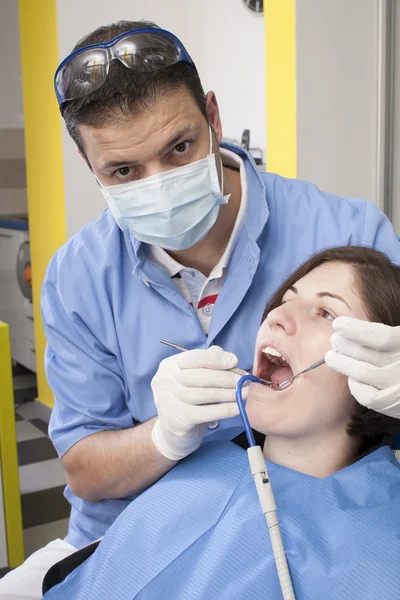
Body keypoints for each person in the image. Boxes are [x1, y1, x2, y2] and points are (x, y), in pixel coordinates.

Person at [1, 19, 400, 598]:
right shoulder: (78, 276)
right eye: (124, 171)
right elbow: (85, 468)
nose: (159, 182)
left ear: (212, 117)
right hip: (129, 532)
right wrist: (164, 436)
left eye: (180, 148)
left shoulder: (347, 232)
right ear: (92, 170)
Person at [42, 246, 400, 599]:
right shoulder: (206, 457)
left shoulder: (377, 546)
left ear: (380, 371)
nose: (278, 316)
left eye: (325, 313)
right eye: (286, 299)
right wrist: (162, 437)